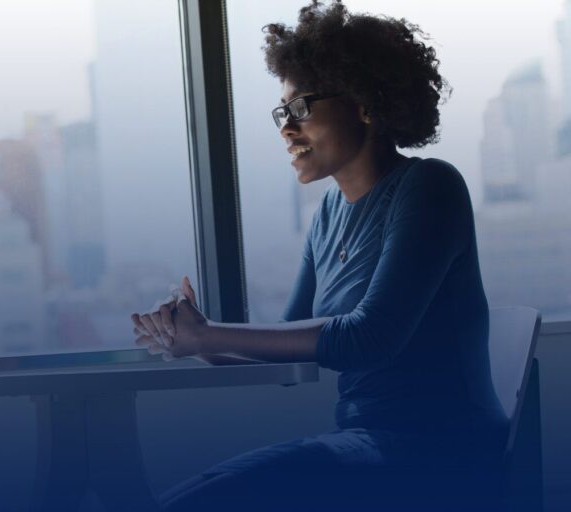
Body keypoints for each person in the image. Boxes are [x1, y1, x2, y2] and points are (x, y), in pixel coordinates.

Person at [131, 2, 508, 510]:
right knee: (182, 497)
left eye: (301, 108)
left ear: (364, 103)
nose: (286, 128)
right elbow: (291, 349)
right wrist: (189, 339)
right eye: (282, 112)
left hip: (442, 454)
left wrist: (209, 334)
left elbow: (369, 338)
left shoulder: (430, 186)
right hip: (367, 448)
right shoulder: (329, 212)